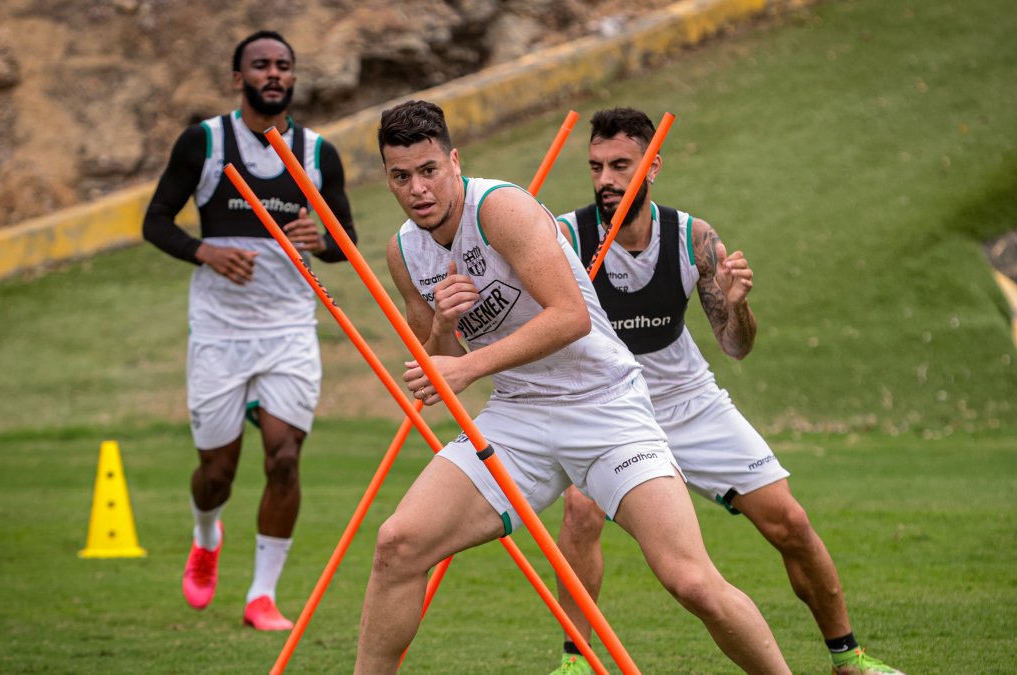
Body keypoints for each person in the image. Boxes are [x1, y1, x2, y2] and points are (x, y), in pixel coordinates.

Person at [358, 99, 791, 674]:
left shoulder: (501, 209)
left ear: (454, 161)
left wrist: (471, 365)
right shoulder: (404, 253)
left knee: (690, 580)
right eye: (400, 176)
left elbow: (570, 317)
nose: (417, 189)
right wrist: (441, 327)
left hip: (605, 405)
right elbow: (438, 369)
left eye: (429, 170)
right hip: (517, 417)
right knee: (397, 545)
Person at [546, 107, 904, 675]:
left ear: (653, 165)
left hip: (689, 401)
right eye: (596, 167)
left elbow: (736, 347)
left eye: (621, 165)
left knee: (790, 522)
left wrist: (738, 307)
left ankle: (849, 658)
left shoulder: (693, 237)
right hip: (609, 407)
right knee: (580, 512)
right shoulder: (564, 237)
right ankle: (576, 663)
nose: (607, 181)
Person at [141, 30, 356, 631]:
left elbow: (347, 245)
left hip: (290, 326)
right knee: (218, 470)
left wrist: (326, 239)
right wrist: (203, 251)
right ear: (239, 77)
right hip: (219, 328)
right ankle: (207, 534)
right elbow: (155, 222)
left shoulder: (318, 154)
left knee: (284, 457)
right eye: (260, 65)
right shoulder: (205, 143)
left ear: (293, 77)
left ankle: (262, 595)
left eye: (283, 65)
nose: (273, 73)